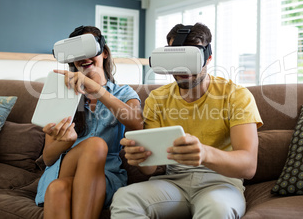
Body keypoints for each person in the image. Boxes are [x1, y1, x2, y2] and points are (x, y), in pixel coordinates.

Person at [111, 23, 263, 219]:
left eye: (190, 58)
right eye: (176, 58)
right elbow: (149, 168)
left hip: (221, 181)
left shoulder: (236, 95)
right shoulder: (157, 99)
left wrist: (205, 153)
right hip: (173, 181)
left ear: (208, 58)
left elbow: (248, 166)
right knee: (125, 198)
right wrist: (141, 158)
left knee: (218, 209)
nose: (182, 68)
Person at [35, 26, 143, 219]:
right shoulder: (61, 93)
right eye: (76, 53)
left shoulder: (124, 94)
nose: (83, 57)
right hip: (64, 169)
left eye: (89, 49)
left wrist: (97, 90)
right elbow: (48, 158)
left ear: (105, 53)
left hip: (103, 176)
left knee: (58, 189)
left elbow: (136, 123)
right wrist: (66, 141)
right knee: (94, 144)